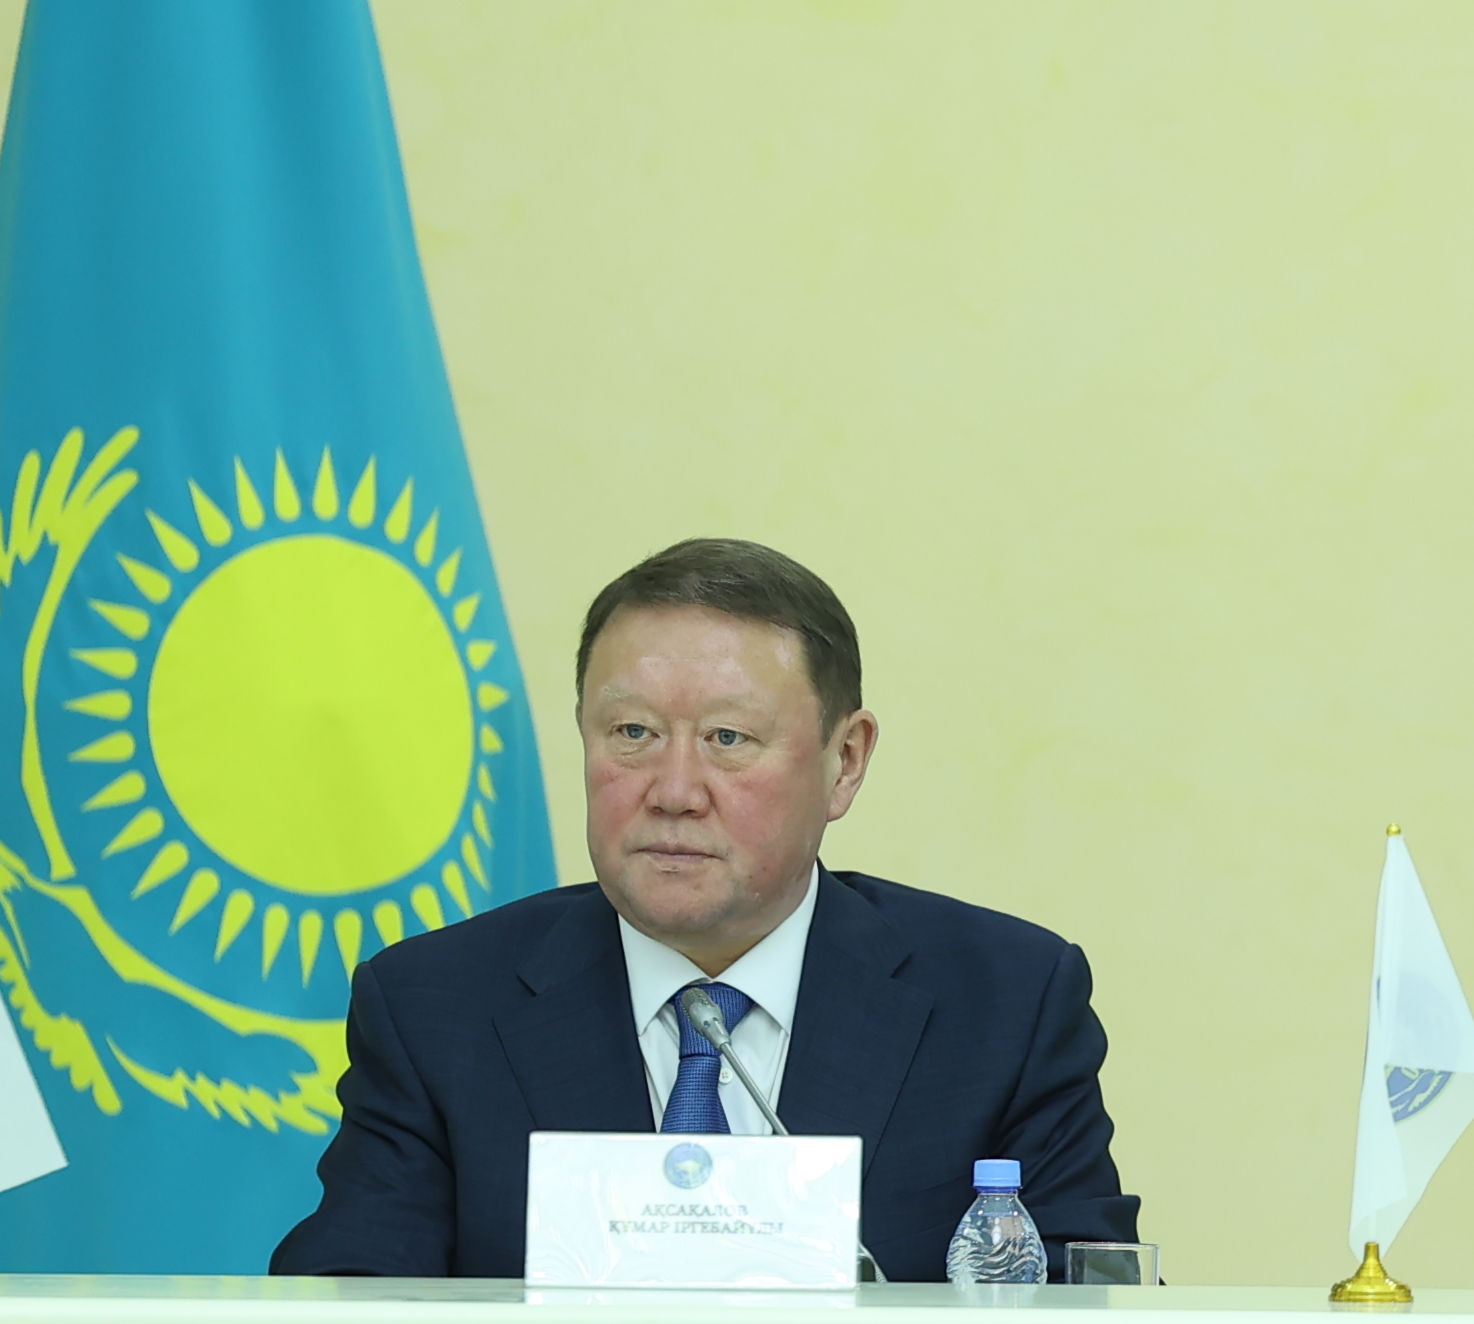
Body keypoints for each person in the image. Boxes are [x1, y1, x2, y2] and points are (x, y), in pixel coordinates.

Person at [271, 538, 1138, 1281]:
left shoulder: (1005, 1004)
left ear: (844, 762)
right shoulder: (436, 1008)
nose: (675, 791)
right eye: (633, 734)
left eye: (729, 739)